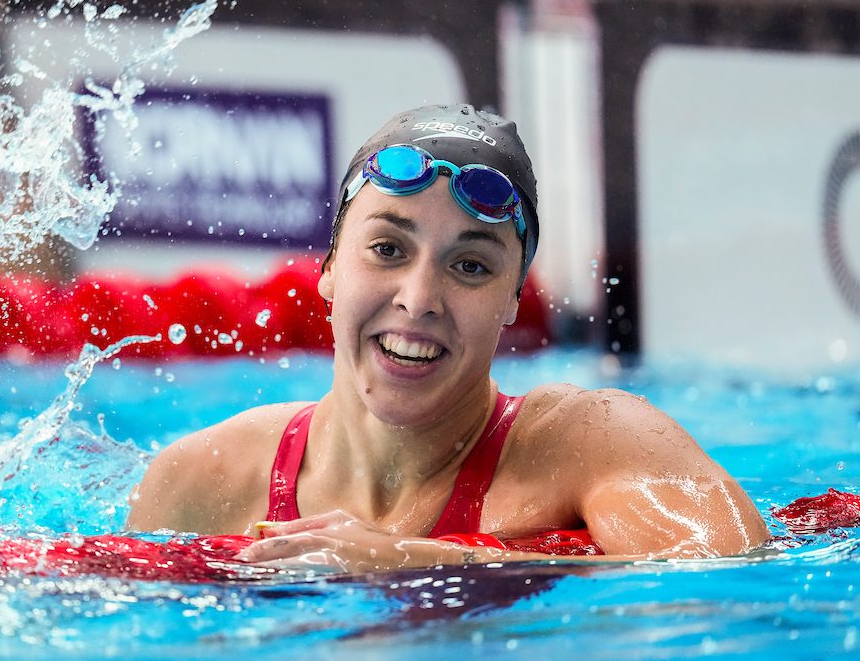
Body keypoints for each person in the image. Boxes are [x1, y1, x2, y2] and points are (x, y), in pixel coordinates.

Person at [126, 104, 771, 571]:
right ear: (326, 270)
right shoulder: (200, 480)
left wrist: (414, 562)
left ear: (513, 302)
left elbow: (728, 568)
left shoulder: (585, 441)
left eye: (471, 266)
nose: (418, 299)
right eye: (386, 248)